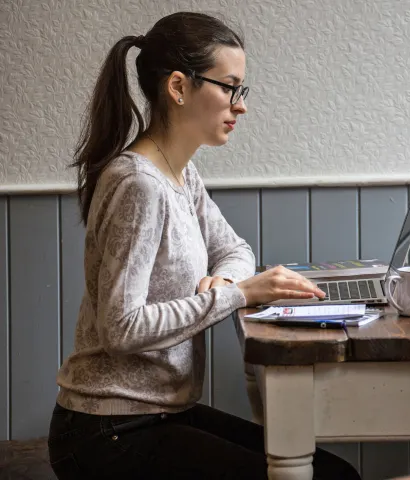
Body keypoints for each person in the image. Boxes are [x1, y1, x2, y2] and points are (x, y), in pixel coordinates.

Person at [47, 11, 360, 480]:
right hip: (107, 430)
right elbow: (121, 328)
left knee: (332, 472)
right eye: (229, 87)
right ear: (178, 87)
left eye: (241, 90)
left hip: (156, 414)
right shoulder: (140, 185)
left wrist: (228, 278)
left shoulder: (181, 173)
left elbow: (236, 248)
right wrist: (236, 295)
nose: (241, 105)